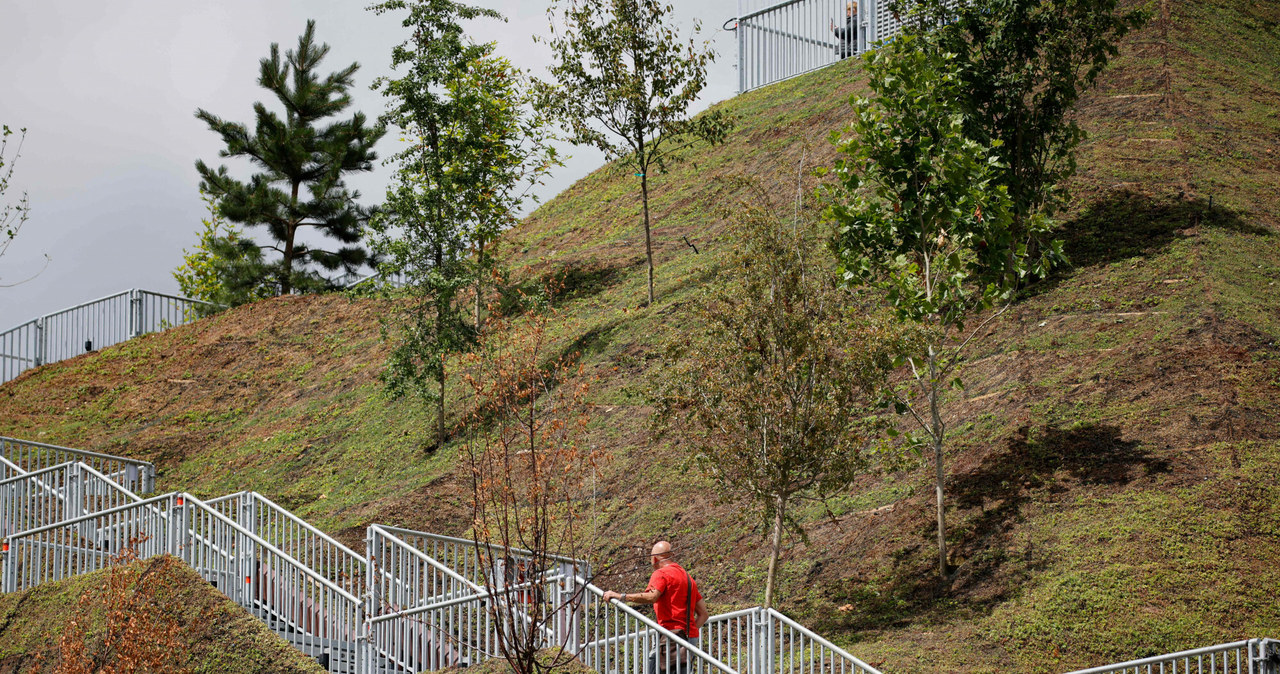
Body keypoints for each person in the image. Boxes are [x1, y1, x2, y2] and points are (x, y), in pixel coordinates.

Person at [603, 541, 709, 674]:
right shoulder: (688, 578)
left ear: (655, 558)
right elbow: (704, 614)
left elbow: (652, 596)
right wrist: (687, 633)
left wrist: (621, 596)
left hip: (670, 638)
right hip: (690, 638)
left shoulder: (661, 574)